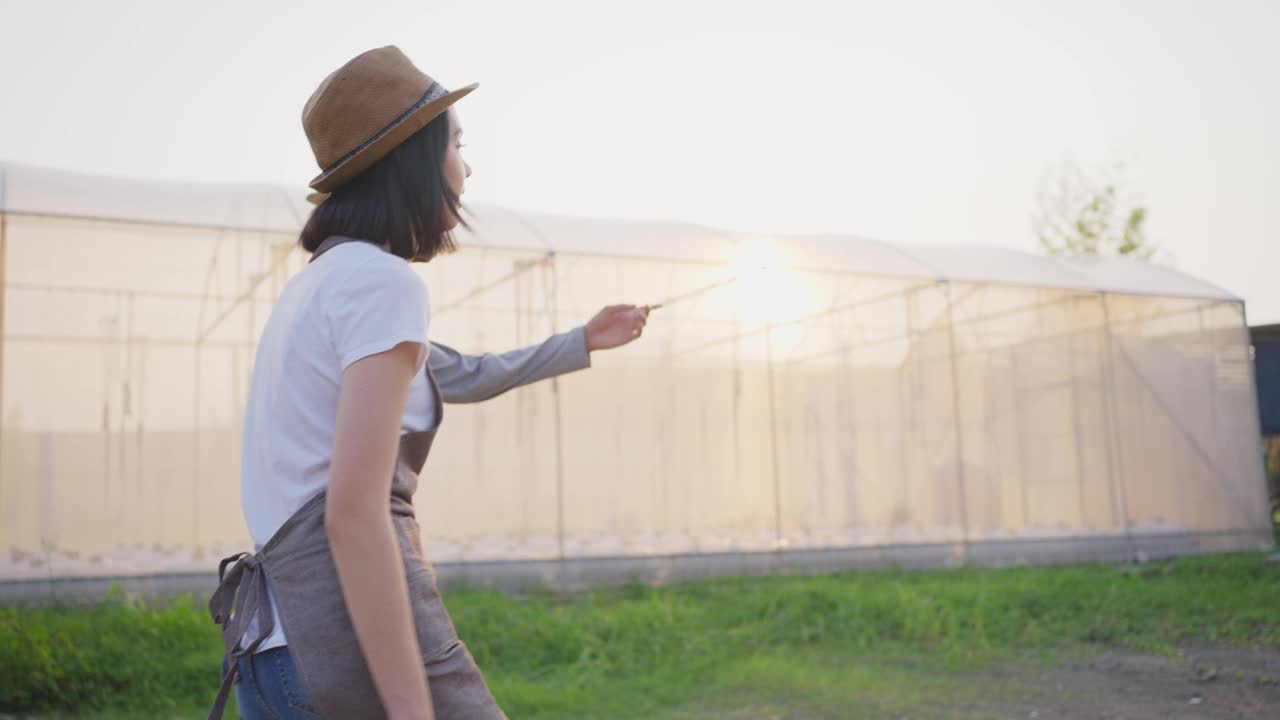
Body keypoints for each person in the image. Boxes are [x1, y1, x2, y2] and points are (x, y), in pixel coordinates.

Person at [208, 46, 650, 720]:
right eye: (458, 146)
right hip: (341, 651)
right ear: (412, 163)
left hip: (268, 660)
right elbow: (353, 514)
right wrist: (413, 705)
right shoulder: (381, 285)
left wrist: (582, 340)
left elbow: (458, 373)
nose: (466, 169)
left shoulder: (321, 286)